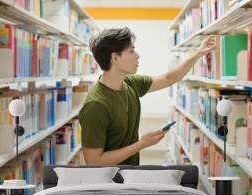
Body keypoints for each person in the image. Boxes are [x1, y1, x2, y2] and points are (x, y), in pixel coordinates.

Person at [79, 27, 215, 165]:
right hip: (109, 183)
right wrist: (142, 144)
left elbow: (168, 78)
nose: (137, 55)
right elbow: (94, 162)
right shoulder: (96, 105)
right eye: (131, 51)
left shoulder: (129, 83)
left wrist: (198, 54)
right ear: (114, 58)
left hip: (129, 175)